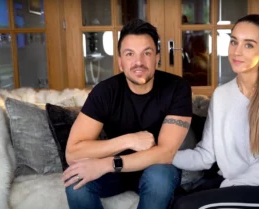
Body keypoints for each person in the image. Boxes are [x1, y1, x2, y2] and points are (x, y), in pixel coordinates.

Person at [172, 14, 259, 209]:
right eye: (234, 42)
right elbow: (205, 156)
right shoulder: (221, 95)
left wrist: (226, 186)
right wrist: (162, 154)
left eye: (248, 45)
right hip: (237, 187)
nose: (236, 52)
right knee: (173, 199)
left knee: (187, 206)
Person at [62, 19, 193, 209]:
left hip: (155, 166)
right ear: (120, 62)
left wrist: (108, 164)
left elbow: (165, 153)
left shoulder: (177, 88)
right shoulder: (104, 92)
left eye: (146, 53)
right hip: (116, 175)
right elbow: (73, 152)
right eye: (129, 54)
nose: (138, 62)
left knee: (159, 177)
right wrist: (128, 140)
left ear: (157, 58)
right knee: (75, 180)